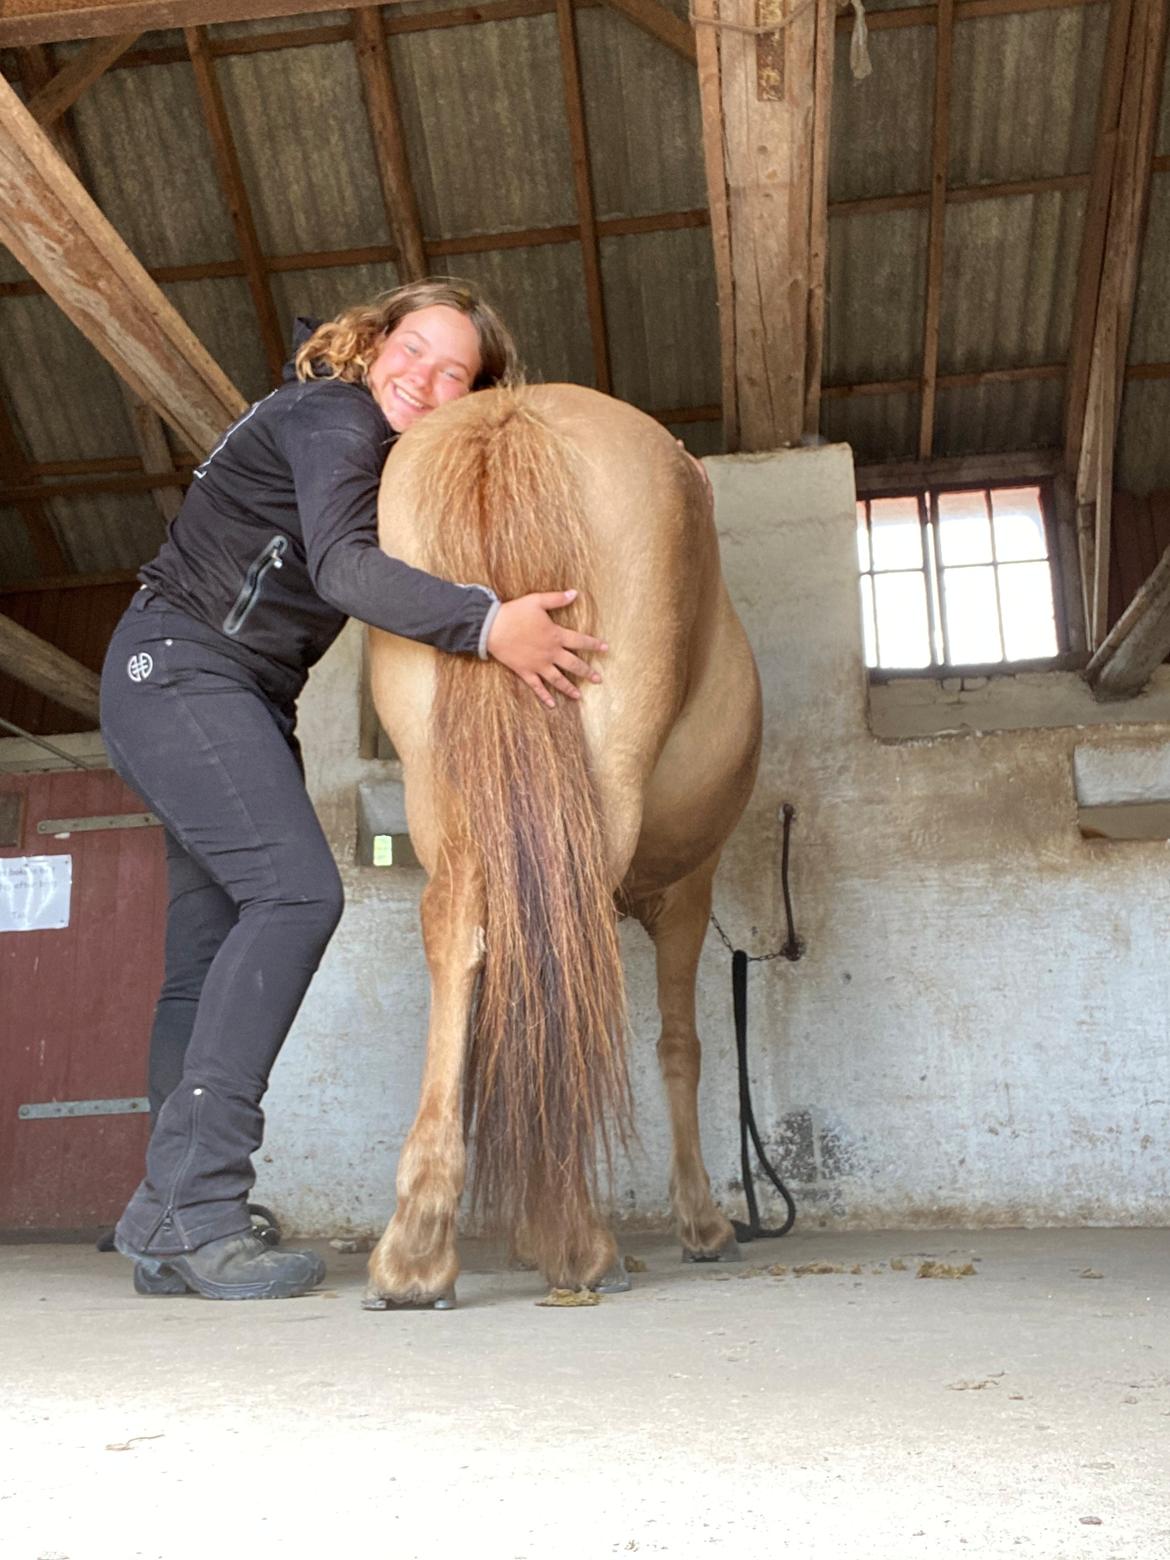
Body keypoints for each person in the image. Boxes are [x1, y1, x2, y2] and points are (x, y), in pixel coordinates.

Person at [100, 279, 607, 1302]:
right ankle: (199, 1210)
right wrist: (489, 624)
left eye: (454, 371)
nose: (424, 377)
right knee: (296, 895)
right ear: (371, 347)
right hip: (181, 669)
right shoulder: (329, 412)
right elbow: (342, 569)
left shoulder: (381, 450)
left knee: (203, 959)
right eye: (411, 350)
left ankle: (166, 1214)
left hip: (225, 690)